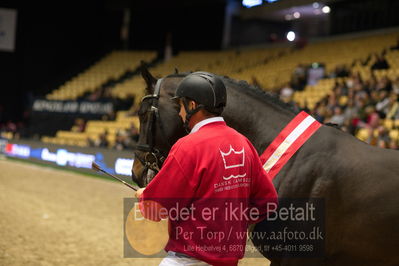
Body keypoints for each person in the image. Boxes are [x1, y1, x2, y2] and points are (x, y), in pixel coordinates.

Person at [135, 72, 278, 266]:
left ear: (193, 106)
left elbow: (156, 208)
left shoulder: (187, 146)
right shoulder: (244, 143)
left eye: (181, 106)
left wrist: (145, 197)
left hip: (189, 259)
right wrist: (231, 221)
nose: (180, 113)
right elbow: (267, 201)